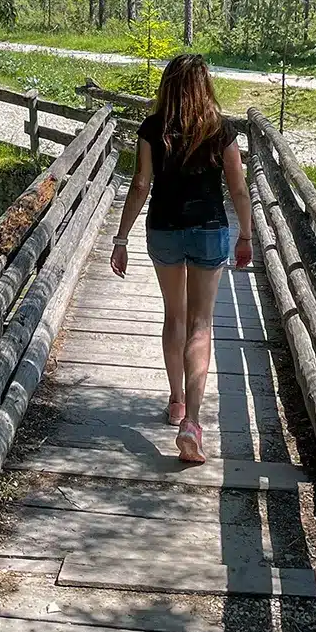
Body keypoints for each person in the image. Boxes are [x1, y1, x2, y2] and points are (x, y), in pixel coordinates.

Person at [109, 54, 252, 464]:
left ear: (168, 85)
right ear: (204, 84)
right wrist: (245, 235)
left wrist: (121, 238)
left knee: (174, 316)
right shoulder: (220, 128)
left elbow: (139, 184)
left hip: (164, 230)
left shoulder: (152, 128)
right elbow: (238, 189)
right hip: (209, 231)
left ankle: (175, 401)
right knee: (200, 324)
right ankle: (192, 420)